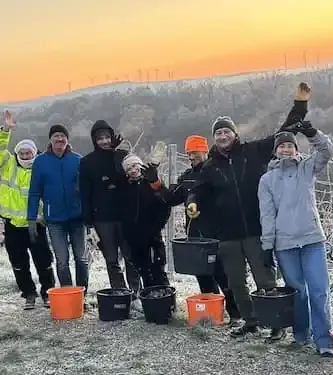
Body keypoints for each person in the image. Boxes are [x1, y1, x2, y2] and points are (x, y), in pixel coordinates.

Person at [186, 83, 311, 339]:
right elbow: (198, 189)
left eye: (226, 131)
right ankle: (250, 321)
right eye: (218, 132)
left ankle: (275, 324)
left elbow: (284, 132)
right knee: (236, 282)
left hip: (256, 229)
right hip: (227, 234)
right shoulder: (209, 167)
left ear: (234, 133)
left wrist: (299, 105)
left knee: (264, 278)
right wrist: (193, 201)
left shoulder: (253, 151)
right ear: (215, 138)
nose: (222, 135)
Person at [259, 124, 333, 352]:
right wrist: (267, 246)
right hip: (285, 244)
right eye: (281, 146)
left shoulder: (307, 167)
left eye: (290, 146)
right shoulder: (267, 180)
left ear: (296, 149)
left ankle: (324, 341)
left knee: (319, 291)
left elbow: (327, 151)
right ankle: (301, 334)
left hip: (312, 239)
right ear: (275, 151)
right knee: (297, 292)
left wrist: (313, 133)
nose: (286, 149)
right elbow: (267, 215)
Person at [165, 134, 241, 325]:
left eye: (195, 153)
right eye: (189, 153)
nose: (191, 157)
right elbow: (171, 198)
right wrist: (155, 184)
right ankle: (212, 314)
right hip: (195, 236)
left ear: (205, 151)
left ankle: (236, 315)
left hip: (218, 234)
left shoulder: (216, 171)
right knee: (203, 276)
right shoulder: (187, 177)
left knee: (223, 275)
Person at [0, 111, 56, 309]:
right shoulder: (8, 165)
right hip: (12, 225)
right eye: (23, 153)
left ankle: (47, 292)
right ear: (18, 154)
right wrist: (5, 130)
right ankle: (28, 293)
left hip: (36, 224)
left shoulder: (42, 167)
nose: (26, 156)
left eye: (29, 153)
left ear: (35, 153)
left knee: (43, 261)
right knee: (19, 263)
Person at [79, 120, 141, 291]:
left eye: (107, 137)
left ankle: (136, 292)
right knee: (111, 259)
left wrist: (117, 152)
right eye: (100, 138)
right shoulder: (87, 162)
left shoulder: (123, 156)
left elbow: (132, 180)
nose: (104, 141)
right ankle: (120, 292)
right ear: (94, 140)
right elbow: (84, 194)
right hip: (102, 218)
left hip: (125, 216)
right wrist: (88, 223)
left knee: (130, 257)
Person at [27, 124, 89, 291]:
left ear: (67, 140)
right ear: (50, 139)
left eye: (63, 136)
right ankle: (68, 294)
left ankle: (82, 294)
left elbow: (86, 190)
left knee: (81, 259)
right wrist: (31, 218)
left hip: (77, 218)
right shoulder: (40, 162)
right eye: (56, 136)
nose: (60, 139)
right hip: (54, 220)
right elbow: (34, 192)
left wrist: (89, 215)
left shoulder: (77, 160)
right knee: (62, 261)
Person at [119, 154, 172, 288]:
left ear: (141, 165)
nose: (133, 170)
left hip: (153, 236)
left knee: (158, 271)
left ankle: (165, 302)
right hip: (135, 238)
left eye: (135, 165)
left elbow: (165, 206)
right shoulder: (125, 188)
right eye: (128, 168)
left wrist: (156, 227)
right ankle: (149, 301)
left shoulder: (152, 184)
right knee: (143, 271)